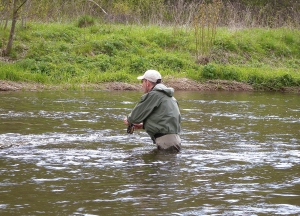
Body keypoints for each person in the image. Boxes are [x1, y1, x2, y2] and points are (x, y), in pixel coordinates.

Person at [123, 69, 181, 153]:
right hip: (174, 141)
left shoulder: (154, 95)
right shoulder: (167, 95)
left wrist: (129, 120)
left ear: (147, 83)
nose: (141, 85)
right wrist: (144, 126)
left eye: (142, 81)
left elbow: (134, 117)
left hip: (166, 143)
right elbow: (165, 120)